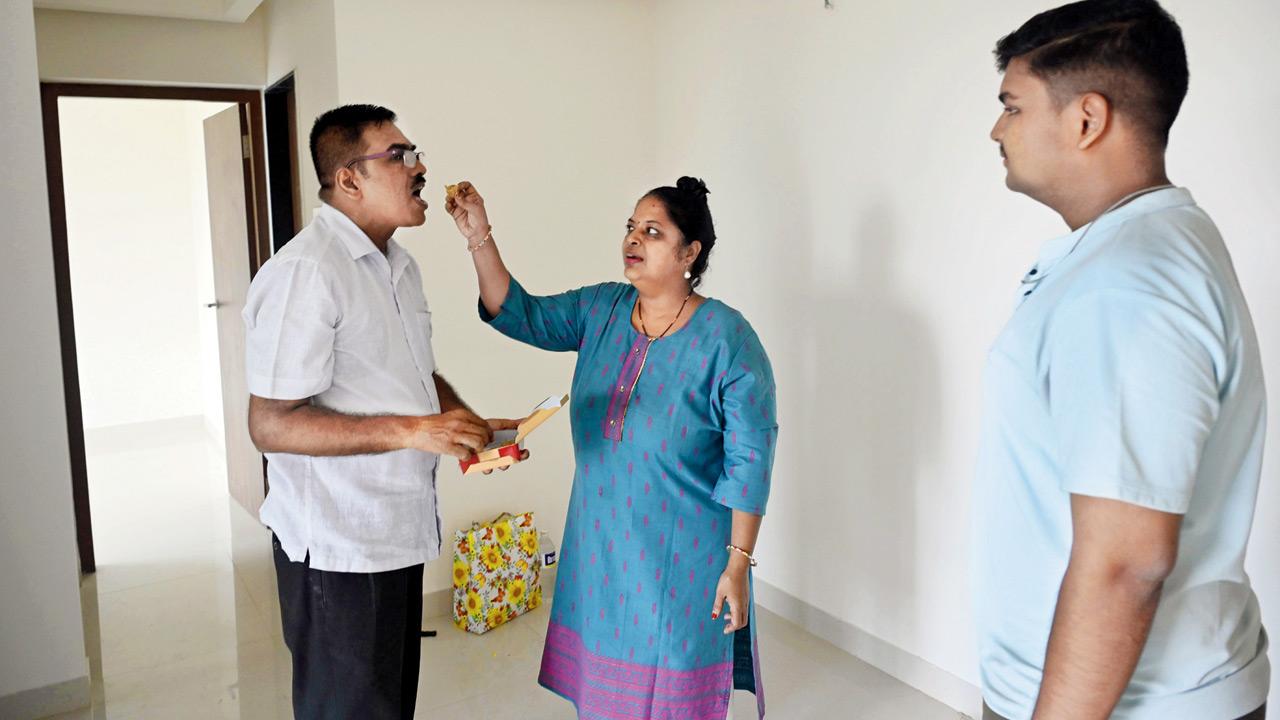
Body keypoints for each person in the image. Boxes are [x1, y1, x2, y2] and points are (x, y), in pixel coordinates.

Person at [974, 2, 1269, 718]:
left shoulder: (1127, 284)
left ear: (1087, 119)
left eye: (1012, 107)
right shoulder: (1153, 244)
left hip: (1123, 705)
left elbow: (1126, 562)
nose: (997, 130)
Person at [446, 176, 777, 719]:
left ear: (690, 253)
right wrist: (478, 235)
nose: (633, 239)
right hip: (599, 546)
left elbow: (751, 459)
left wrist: (737, 563)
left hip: (681, 554)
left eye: (653, 231)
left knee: (672, 687)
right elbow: (519, 311)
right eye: (631, 227)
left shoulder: (727, 338)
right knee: (604, 691)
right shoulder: (600, 308)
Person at [243, 104, 519, 720]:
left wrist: (465, 424)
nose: (419, 168)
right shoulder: (307, 273)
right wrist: (417, 431)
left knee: (389, 708)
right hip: (338, 550)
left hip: (396, 535)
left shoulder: (399, 267)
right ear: (349, 179)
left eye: (415, 154)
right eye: (399, 156)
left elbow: (413, 378)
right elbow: (271, 423)